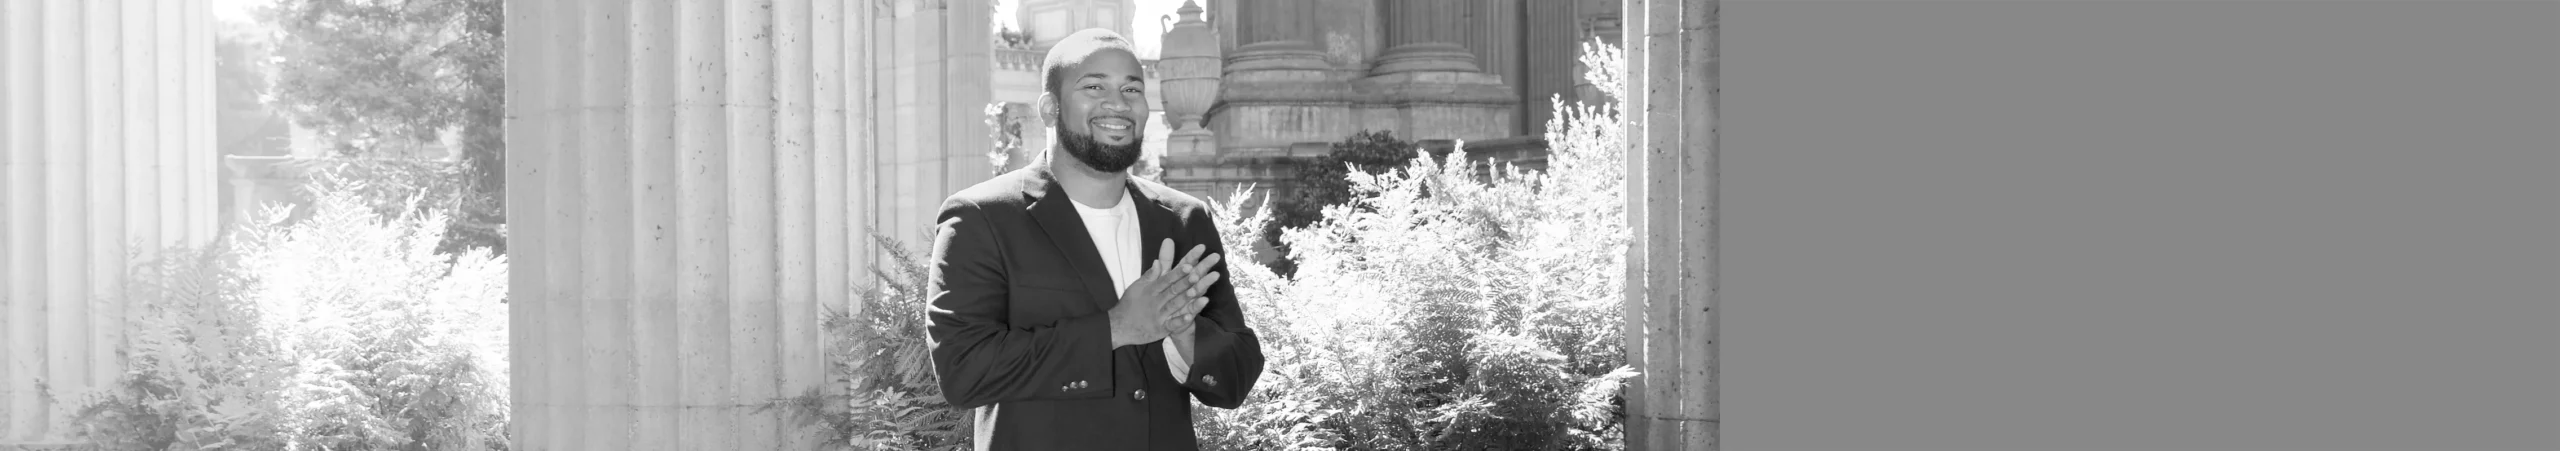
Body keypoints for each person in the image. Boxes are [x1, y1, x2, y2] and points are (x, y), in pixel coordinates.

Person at [924, 28, 1266, 450]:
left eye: (1131, 89)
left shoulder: (1183, 219)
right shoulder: (981, 218)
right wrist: (1116, 328)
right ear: (1050, 108)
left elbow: (1235, 379)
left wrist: (1187, 336)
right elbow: (963, 372)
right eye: (1094, 86)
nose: (1117, 103)